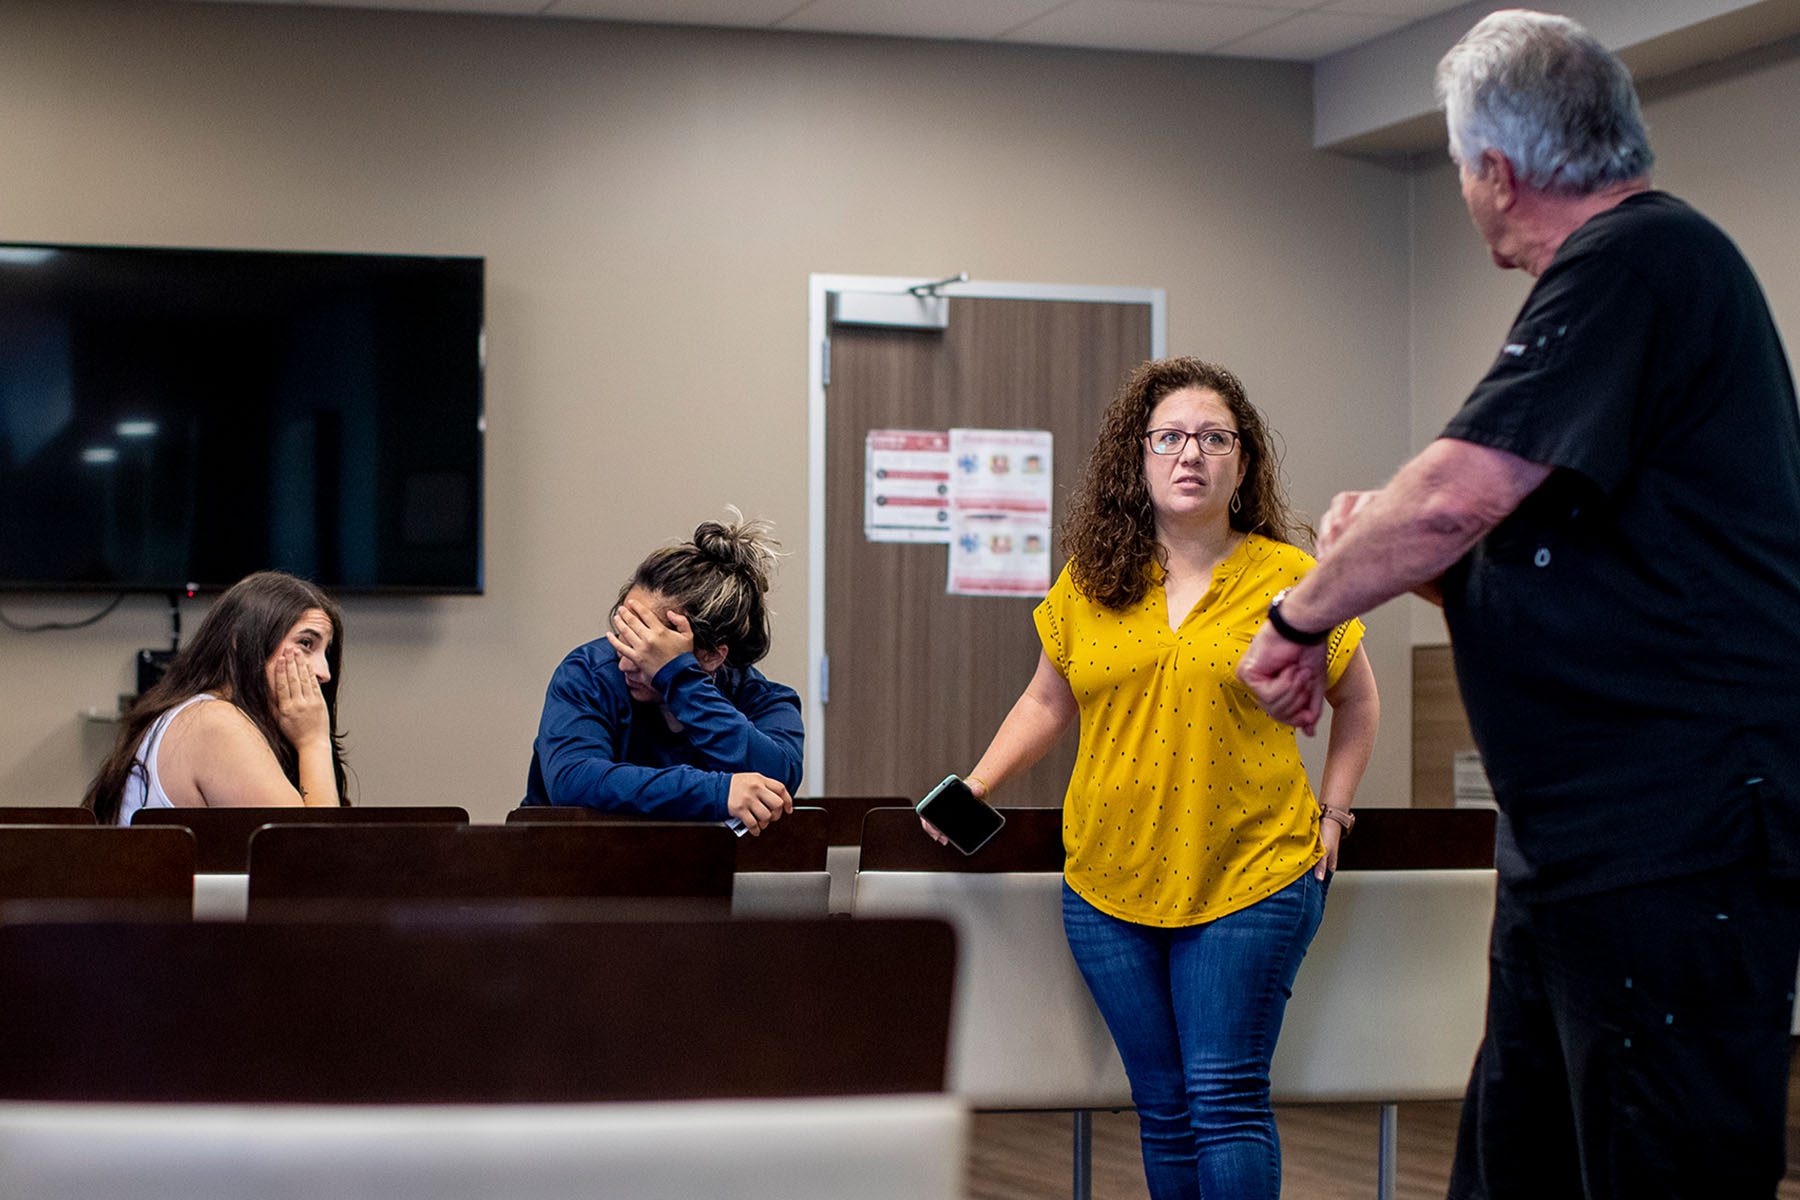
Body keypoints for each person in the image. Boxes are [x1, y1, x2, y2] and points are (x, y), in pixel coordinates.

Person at [1236, 11, 1800, 1199]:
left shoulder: (1641, 260)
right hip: (1576, 854)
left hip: (1673, 843)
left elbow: (1452, 492)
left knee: (1661, 1170)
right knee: (1515, 1169)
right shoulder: (1621, 286)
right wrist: (1384, 551)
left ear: (1494, 170)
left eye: (1454, 167)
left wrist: (1298, 619)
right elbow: (1512, 551)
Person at [939, 357, 1378, 1200]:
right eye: (1170, 437)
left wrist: (1334, 813)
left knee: (1225, 1098)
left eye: (1215, 438)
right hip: (1108, 880)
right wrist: (978, 784)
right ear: (1137, 458)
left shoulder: (1291, 578)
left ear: (1243, 462)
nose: (1191, 455)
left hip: (1253, 873)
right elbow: (1044, 701)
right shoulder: (1092, 581)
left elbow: (1357, 703)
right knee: (1164, 1108)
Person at [521, 512, 801, 834]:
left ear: (711, 655)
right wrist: (718, 792)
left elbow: (776, 779)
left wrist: (678, 679)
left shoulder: (766, 700)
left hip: (701, 875)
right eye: (624, 637)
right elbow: (574, 781)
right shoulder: (588, 674)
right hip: (571, 868)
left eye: (648, 650)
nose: (624, 662)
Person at [83, 570, 348, 825]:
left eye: (326, 651)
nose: (323, 672)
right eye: (306, 644)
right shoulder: (215, 722)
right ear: (242, 640)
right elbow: (313, 856)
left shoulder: (200, 712)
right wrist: (313, 741)